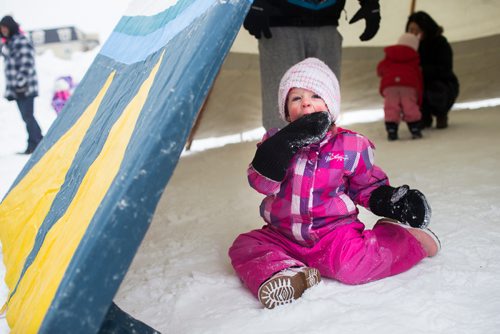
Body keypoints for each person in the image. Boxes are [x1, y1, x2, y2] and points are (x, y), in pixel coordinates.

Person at [228, 58, 440, 309]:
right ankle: (288, 274)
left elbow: (366, 186)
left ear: (331, 106)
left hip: (333, 235)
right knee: (244, 245)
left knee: (353, 267)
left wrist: (391, 201)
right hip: (282, 234)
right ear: (286, 112)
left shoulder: (350, 145)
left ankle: (406, 240)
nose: (306, 102)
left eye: (316, 95)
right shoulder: (274, 143)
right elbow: (260, 183)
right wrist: (284, 145)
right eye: (296, 98)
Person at [243, 0, 381, 130]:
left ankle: (325, 151)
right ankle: (279, 150)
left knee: (325, 102)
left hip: (327, 20)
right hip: (280, 21)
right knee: (281, 104)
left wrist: (370, 3)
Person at [406, 11, 459, 129]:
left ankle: (441, 114)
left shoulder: (440, 43)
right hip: (419, 83)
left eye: (417, 30)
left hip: (442, 83)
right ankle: (424, 116)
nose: (413, 33)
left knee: (435, 90)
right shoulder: (409, 45)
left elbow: (445, 68)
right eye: (411, 30)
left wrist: (422, 70)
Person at [0, 15, 43, 154]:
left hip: (25, 87)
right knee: (26, 116)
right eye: (1, 28)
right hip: (18, 88)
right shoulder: (9, 42)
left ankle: (39, 142)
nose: (3, 30)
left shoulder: (21, 40)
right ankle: (33, 144)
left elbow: (27, 63)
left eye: (5, 27)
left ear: (11, 27)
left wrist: (20, 83)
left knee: (28, 115)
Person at [377, 32, 423, 140]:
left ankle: (392, 130)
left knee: (391, 106)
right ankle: (415, 128)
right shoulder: (414, 57)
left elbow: (380, 68)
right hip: (409, 85)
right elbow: (418, 74)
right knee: (410, 106)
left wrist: (384, 73)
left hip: (390, 85)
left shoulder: (390, 55)